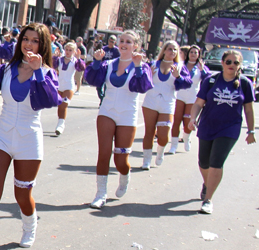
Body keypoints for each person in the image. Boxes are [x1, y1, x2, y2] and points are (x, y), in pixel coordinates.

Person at [0, 23, 61, 250]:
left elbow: (48, 100)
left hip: (29, 138)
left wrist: (38, 71)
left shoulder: (48, 73)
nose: (29, 44)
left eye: (35, 41)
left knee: (22, 194)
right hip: (2, 135)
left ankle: (30, 224)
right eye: (25, 39)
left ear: (43, 45)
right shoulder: (7, 69)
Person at [84, 30, 153, 209]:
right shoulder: (108, 64)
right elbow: (92, 79)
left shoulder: (142, 66)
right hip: (107, 111)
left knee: (120, 160)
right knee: (104, 153)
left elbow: (143, 87)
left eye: (128, 42)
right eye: (121, 40)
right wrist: (97, 62)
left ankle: (125, 174)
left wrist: (137, 67)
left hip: (127, 115)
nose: (124, 44)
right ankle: (101, 194)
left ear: (135, 46)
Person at [188, 50, 255, 214]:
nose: (232, 65)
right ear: (222, 63)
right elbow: (198, 104)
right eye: (229, 62)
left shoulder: (245, 84)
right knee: (203, 162)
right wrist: (192, 119)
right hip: (207, 125)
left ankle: (208, 199)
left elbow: (249, 110)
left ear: (240, 66)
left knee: (216, 161)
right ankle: (207, 183)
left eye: (236, 63)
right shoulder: (211, 81)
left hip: (229, 128)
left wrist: (251, 131)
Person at [140, 41, 191, 169]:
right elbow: (141, 80)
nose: (172, 52)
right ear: (164, 51)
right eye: (169, 49)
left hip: (167, 104)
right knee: (149, 132)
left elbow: (187, 83)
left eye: (175, 50)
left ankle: (160, 152)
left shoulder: (179, 67)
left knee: (163, 135)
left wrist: (178, 77)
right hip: (150, 102)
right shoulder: (153, 64)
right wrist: (148, 75)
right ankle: (146, 160)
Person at [170, 45, 208, 154]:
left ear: (199, 55)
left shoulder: (201, 67)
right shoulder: (181, 65)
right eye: (191, 52)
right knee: (176, 120)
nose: (193, 54)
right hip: (180, 95)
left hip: (193, 97)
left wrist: (203, 71)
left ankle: (186, 139)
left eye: (196, 53)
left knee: (188, 121)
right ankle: (173, 145)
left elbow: (207, 80)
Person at [52, 42, 86, 136]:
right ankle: (60, 122)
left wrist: (79, 59)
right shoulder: (60, 59)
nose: (68, 52)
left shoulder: (75, 61)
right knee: (60, 106)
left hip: (69, 86)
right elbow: (52, 66)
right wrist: (55, 57)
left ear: (74, 51)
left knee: (64, 105)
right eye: (66, 50)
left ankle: (61, 125)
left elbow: (82, 68)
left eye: (70, 50)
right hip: (59, 86)